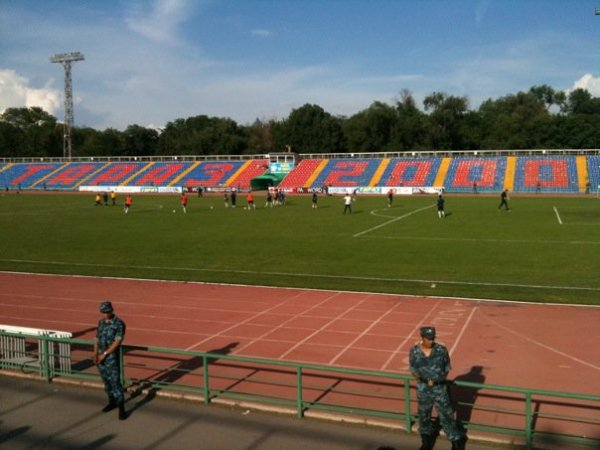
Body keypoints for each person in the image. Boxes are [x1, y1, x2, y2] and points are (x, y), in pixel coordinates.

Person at [409, 326, 465, 450]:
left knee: (447, 416)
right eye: (428, 338)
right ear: (422, 338)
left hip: (440, 389)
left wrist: (438, 380)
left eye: (432, 338)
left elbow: (447, 368)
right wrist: (422, 381)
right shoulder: (414, 351)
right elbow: (413, 368)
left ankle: (456, 442)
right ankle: (426, 442)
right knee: (424, 416)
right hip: (423, 389)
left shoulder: (441, 350)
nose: (431, 341)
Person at [93, 301, 127, 420]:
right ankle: (111, 402)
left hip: (111, 358)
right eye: (103, 312)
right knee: (106, 383)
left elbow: (117, 341)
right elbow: (97, 339)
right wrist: (95, 353)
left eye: (107, 312)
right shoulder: (101, 323)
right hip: (101, 358)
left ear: (111, 310)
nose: (105, 314)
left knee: (115, 383)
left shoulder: (119, 324)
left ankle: (121, 408)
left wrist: (105, 354)